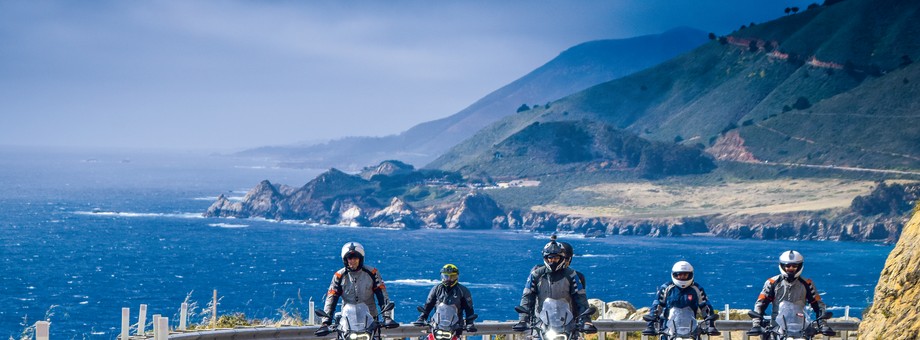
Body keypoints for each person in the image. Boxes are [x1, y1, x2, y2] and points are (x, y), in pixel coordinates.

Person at [512, 236, 597, 334]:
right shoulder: (536, 274)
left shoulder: (571, 275)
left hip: (568, 325)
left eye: (556, 258)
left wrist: (586, 320)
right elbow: (527, 297)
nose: (553, 261)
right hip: (541, 325)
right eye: (550, 258)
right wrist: (523, 319)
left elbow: (580, 298)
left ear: (562, 258)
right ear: (545, 258)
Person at [315, 242, 398, 336]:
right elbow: (331, 298)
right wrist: (325, 322)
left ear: (360, 259)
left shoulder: (372, 273)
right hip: (347, 323)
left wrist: (387, 317)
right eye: (350, 258)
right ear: (345, 260)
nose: (352, 261)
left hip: (370, 322)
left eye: (355, 258)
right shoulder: (339, 276)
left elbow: (382, 295)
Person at [747, 250, 834, 337]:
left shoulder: (807, 283)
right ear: (782, 266)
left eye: (794, 266)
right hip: (777, 330)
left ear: (799, 266)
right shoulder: (772, 282)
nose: (791, 268)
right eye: (787, 265)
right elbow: (761, 304)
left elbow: (818, 304)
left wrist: (823, 325)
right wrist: (756, 324)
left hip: (801, 330)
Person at [642, 261, 719, 337]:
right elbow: (657, 306)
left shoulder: (697, 289)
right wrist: (651, 324)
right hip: (669, 331)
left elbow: (705, 307)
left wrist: (710, 325)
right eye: (679, 275)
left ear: (690, 275)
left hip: (692, 331)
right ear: (674, 275)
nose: (682, 277)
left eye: (685, 275)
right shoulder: (666, 288)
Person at [412, 264, 477, 333]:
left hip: (455, 327)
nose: (449, 279)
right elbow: (428, 305)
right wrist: (422, 318)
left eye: (452, 277)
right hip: (437, 326)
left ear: (457, 277)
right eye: (446, 276)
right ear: (442, 276)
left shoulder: (463, 290)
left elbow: (469, 308)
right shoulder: (436, 289)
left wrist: (469, 323)